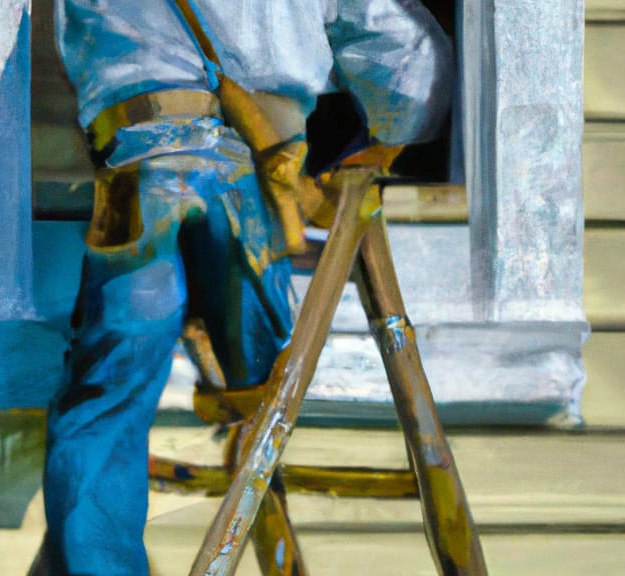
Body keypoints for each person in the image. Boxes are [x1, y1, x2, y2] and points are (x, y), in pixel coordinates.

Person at [41, 1, 453, 573]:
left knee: (108, 396)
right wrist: (375, 149)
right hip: (251, 180)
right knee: (259, 404)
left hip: (142, 167)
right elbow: (408, 62)